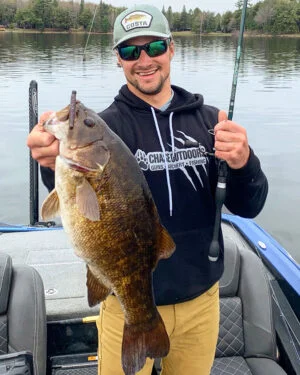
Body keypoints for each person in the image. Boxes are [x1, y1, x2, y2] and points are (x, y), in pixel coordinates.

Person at [27, 4, 268, 375]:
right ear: (118, 60)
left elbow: (249, 206)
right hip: (123, 301)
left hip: (201, 302)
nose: (143, 60)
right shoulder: (105, 128)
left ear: (171, 48)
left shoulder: (211, 122)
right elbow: (75, 196)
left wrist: (243, 162)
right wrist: (49, 165)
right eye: (129, 51)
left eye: (154, 47)